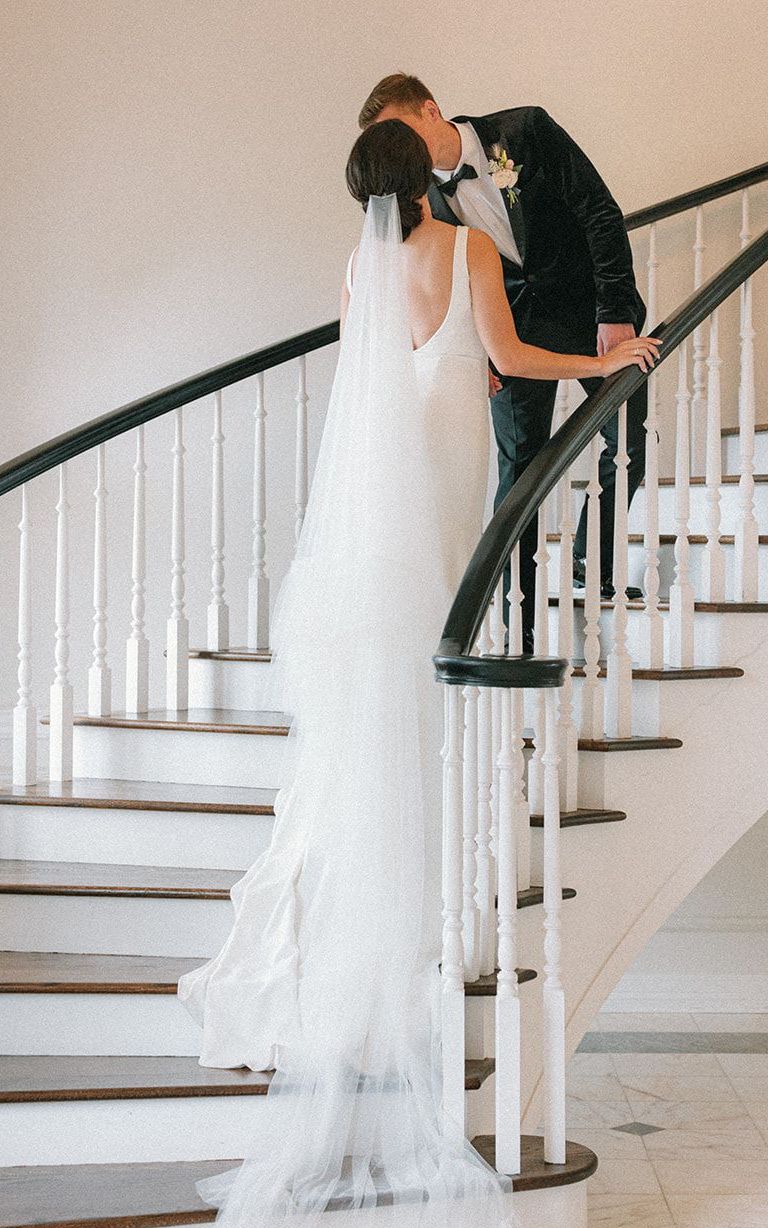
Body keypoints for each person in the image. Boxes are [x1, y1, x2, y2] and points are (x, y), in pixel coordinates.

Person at [176, 119, 659, 1227]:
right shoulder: (468, 251)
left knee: (376, 730)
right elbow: (512, 356)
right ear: (424, 183)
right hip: (441, 509)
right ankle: (414, 919)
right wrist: (604, 359)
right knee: (437, 694)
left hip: (370, 538)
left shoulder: (362, 267)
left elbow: (369, 392)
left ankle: (371, 926)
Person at [359, 74, 650, 650]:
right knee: (519, 473)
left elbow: (598, 211)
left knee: (629, 440)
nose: (398, 148)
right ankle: (518, 624)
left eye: (400, 129)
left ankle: (595, 562)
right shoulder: (418, 199)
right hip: (508, 336)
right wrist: (473, 350)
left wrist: (614, 309)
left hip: (590, 311)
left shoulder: (524, 130)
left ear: (431, 110)